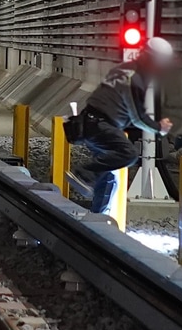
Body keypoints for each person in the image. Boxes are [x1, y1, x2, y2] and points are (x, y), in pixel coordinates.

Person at [71, 37, 175, 216]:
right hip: (101, 125)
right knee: (128, 154)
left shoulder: (123, 69)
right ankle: (84, 174)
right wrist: (159, 128)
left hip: (89, 121)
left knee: (109, 173)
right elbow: (138, 118)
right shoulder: (135, 77)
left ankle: (97, 215)